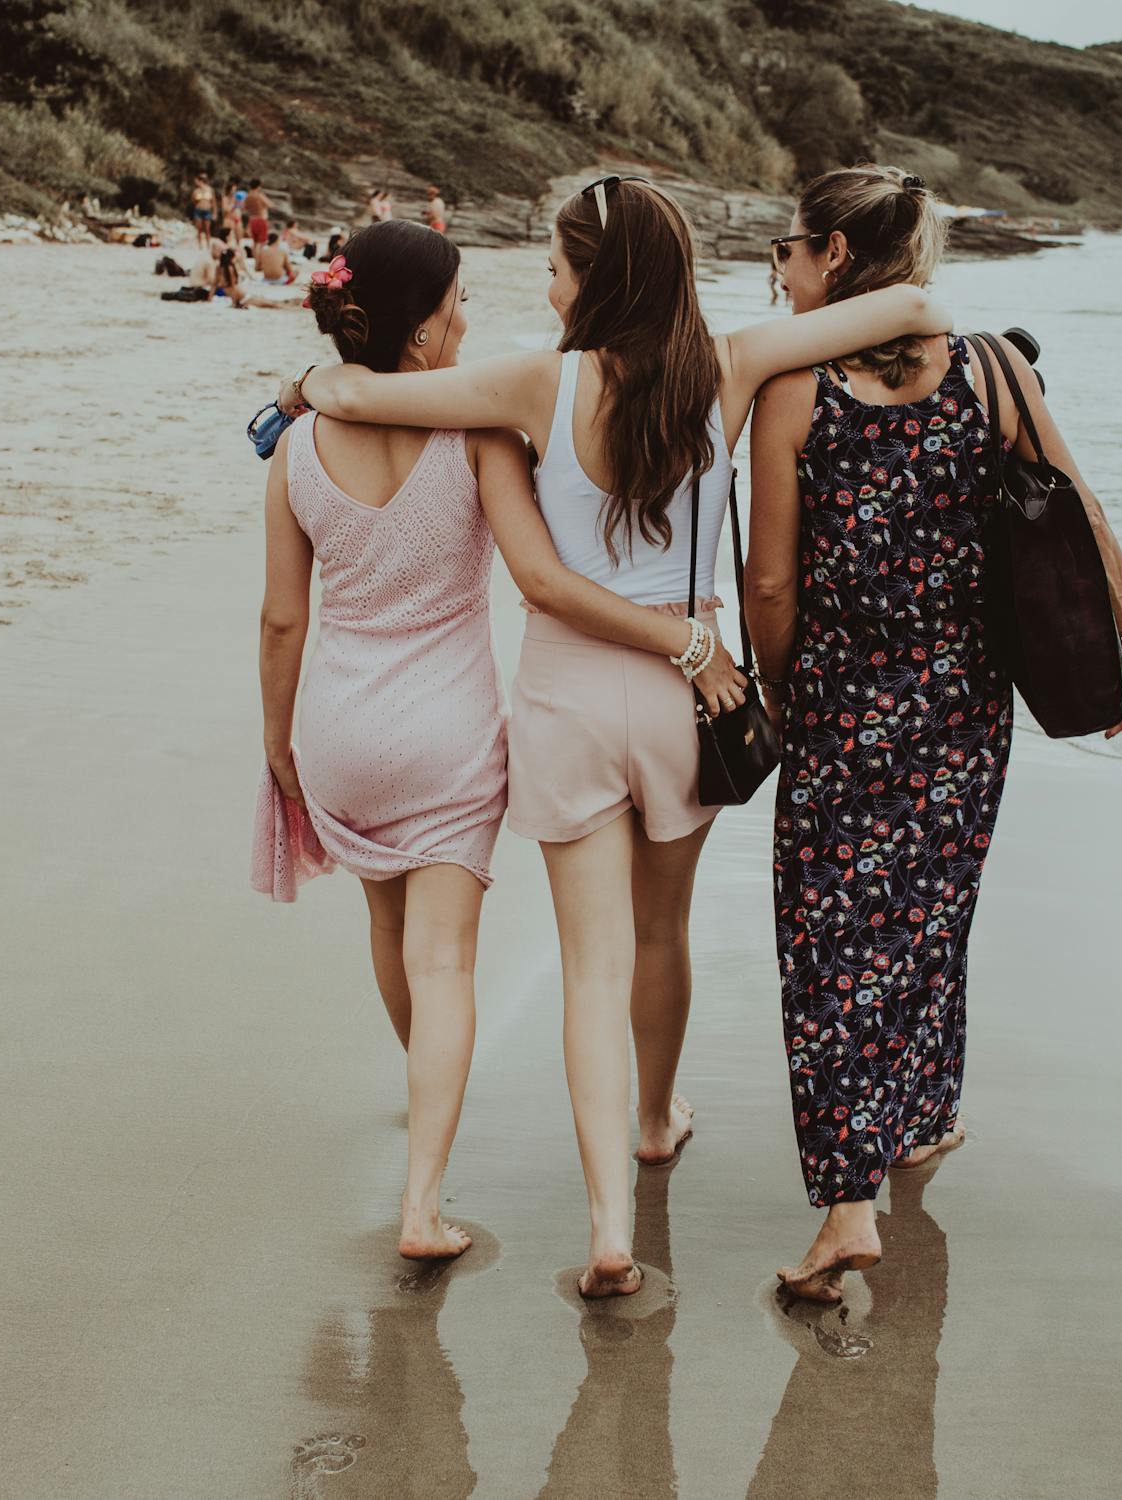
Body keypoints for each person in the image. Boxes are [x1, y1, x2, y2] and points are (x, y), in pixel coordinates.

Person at [276, 177, 954, 1298]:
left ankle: (606, 1232)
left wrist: (306, 380)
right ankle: (654, 1119)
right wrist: (901, 317)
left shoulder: (537, 384)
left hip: (571, 697)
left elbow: (372, 399)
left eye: (555, 267)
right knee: (660, 937)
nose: (544, 287)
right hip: (693, 694)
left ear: (596, 280)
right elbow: (917, 312)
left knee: (591, 968)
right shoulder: (729, 367)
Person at [254, 220, 747, 1263]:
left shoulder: (292, 451)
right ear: (423, 327)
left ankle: (425, 1095)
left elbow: (282, 620)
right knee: (453, 965)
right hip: (452, 732)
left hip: (340, 725)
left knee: (392, 942)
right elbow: (541, 570)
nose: (468, 319)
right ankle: (426, 1203)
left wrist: (278, 743)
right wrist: (685, 633)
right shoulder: (481, 435)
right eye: (456, 306)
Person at [745, 165, 1122, 1302]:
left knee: (829, 947)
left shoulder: (795, 390)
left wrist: (778, 697)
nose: (782, 269)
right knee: (928, 914)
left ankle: (846, 1206)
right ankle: (919, 1119)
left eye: (791, 249)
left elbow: (770, 581)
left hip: (841, 704)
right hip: (965, 705)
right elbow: (1078, 506)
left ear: (831, 256)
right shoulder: (990, 369)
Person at [189, 172, 215, 255]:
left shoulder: (210, 190)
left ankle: (208, 245)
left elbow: (213, 202)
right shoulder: (196, 191)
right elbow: (193, 201)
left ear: (200, 181)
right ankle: (200, 245)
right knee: (199, 229)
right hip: (198, 211)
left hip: (207, 210)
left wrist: (214, 212)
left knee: (207, 229)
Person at [245, 181, 272, 245]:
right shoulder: (259, 195)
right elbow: (270, 204)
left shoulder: (248, 196)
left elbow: (245, 207)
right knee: (261, 242)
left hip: (252, 219)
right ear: (258, 187)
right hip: (261, 219)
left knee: (255, 242)